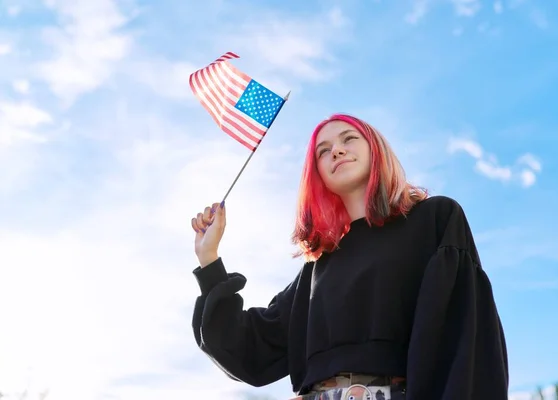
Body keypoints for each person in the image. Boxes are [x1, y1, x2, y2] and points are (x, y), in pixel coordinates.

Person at [190, 114, 509, 400]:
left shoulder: (435, 219)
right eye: (323, 151)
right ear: (317, 174)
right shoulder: (316, 268)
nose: (336, 151)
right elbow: (248, 349)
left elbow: (467, 340)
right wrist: (210, 260)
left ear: (375, 149)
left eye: (349, 139)